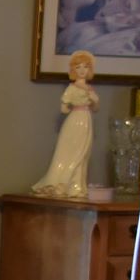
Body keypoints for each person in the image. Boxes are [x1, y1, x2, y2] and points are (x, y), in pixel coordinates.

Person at [32, 51, 99, 197]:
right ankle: (62, 184)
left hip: (86, 120)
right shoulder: (72, 88)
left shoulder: (90, 89)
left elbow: (95, 108)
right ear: (73, 70)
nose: (82, 70)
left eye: (85, 67)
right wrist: (75, 106)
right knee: (71, 153)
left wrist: (94, 100)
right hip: (75, 120)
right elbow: (64, 108)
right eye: (78, 67)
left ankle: (77, 187)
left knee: (83, 154)